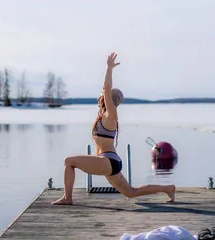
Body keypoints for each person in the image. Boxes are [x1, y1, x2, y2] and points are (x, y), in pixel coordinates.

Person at [51, 52, 176, 205]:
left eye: (105, 96)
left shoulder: (111, 115)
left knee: (68, 161)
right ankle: (168, 188)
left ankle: (67, 198)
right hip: (110, 161)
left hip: (107, 161)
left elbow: (106, 88)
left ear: (109, 99)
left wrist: (109, 68)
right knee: (131, 192)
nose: (101, 96)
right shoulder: (104, 116)